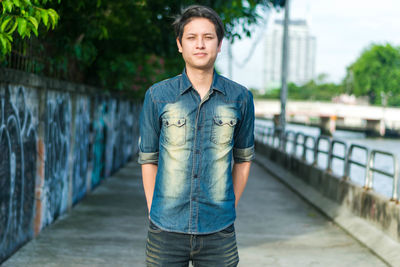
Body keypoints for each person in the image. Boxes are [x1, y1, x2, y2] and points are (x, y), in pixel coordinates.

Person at [138, 4, 254, 267]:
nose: (200, 44)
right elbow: (149, 158)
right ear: (180, 44)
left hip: (219, 231)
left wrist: (228, 206)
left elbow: (244, 159)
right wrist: (153, 210)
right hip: (165, 228)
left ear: (219, 44)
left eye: (208, 37)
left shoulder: (240, 98)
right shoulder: (158, 96)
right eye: (192, 38)